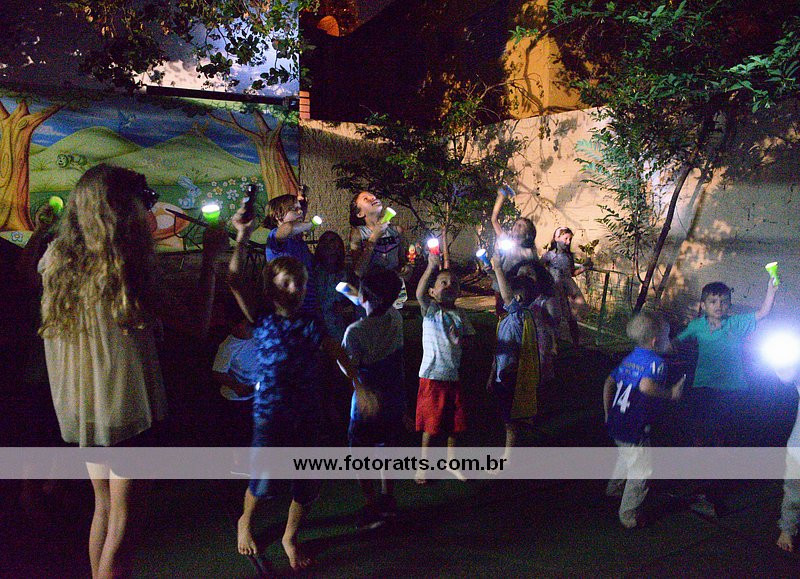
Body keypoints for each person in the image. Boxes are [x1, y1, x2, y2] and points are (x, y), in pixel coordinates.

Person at [38, 165, 168, 578]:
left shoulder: (57, 258)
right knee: (125, 521)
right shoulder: (126, 263)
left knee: (104, 507)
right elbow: (197, 325)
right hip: (126, 407)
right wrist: (219, 256)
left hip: (85, 408)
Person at [228, 203, 367, 571]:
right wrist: (241, 238)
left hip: (306, 414)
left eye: (300, 282)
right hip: (270, 415)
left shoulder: (310, 325)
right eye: (287, 281)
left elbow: (337, 351)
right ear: (271, 288)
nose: (295, 287)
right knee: (263, 482)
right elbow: (234, 279)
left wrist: (358, 384)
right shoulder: (261, 317)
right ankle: (245, 521)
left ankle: (290, 536)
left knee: (308, 481)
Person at [674, 276, 778, 514]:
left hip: (731, 392)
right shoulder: (697, 326)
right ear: (703, 305)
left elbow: (762, 313)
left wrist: (771, 290)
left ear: (729, 304)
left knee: (722, 440)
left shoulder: (736, 323)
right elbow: (675, 343)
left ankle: (714, 495)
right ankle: (701, 485)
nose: (718, 306)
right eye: (713, 301)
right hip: (703, 390)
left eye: (723, 301)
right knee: (701, 438)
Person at [603, 312, 686, 528]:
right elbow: (646, 386)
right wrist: (671, 393)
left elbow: (609, 382)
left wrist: (607, 412)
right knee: (641, 469)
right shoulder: (657, 363)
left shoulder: (631, 357)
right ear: (655, 341)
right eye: (667, 337)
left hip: (617, 420)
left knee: (626, 456)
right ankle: (628, 515)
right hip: (635, 425)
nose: (670, 341)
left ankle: (614, 489)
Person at [341, 269, 406, 529]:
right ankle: (387, 498)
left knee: (360, 452)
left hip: (366, 403)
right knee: (387, 447)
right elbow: (373, 304)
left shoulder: (354, 331)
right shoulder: (395, 317)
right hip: (393, 399)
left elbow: (348, 368)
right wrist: (349, 291)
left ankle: (370, 505)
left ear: (365, 297)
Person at [414, 249, 475, 484]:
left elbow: (469, 340)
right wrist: (431, 267)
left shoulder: (460, 314)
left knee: (453, 423)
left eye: (454, 283)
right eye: (443, 282)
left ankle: (452, 462)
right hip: (432, 376)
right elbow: (418, 293)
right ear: (432, 291)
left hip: (452, 375)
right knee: (431, 425)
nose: (449, 286)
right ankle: (423, 466)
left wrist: (460, 339)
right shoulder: (431, 310)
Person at [488, 249, 552, 466]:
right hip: (502, 375)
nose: (506, 295)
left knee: (510, 421)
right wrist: (492, 375)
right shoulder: (508, 318)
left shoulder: (520, 314)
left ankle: (507, 458)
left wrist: (498, 267)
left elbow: (506, 296)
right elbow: (499, 349)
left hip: (511, 377)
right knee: (509, 417)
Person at [348, 190, 413, 305]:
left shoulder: (396, 231)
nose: (372, 198)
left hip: (394, 291)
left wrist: (406, 268)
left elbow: (402, 261)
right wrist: (374, 237)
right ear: (360, 214)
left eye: (373, 196)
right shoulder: (358, 234)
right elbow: (358, 271)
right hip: (371, 293)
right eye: (366, 199)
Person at [263, 193, 318, 317]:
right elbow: (288, 227)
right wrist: (310, 225)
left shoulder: (300, 243)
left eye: (300, 208)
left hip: (309, 308)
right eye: (293, 209)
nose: (300, 212)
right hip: (288, 308)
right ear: (277, 215)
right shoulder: (275, 236)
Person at [489, 186, 538, 315]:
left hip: (518, 288)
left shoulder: (530, 252)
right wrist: (501, 197)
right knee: (501, 313)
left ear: (528, 234)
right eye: (516, 224)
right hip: (501, 283)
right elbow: (494, 220)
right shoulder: (507, 240)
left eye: (521, 226)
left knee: (516, 314)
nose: (516, 226)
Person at [540, 227, 588, 346]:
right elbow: (539, 270)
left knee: (571, 316)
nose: (568, 242)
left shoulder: (568, 256)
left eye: (570, 239)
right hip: (554, 288)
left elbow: (571, 273)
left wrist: (583, 268)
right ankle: (554, 344)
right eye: (565, 238)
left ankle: (576, 343)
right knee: (554, 316)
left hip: (567, 288)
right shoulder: (549, 256)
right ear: (557, 238)